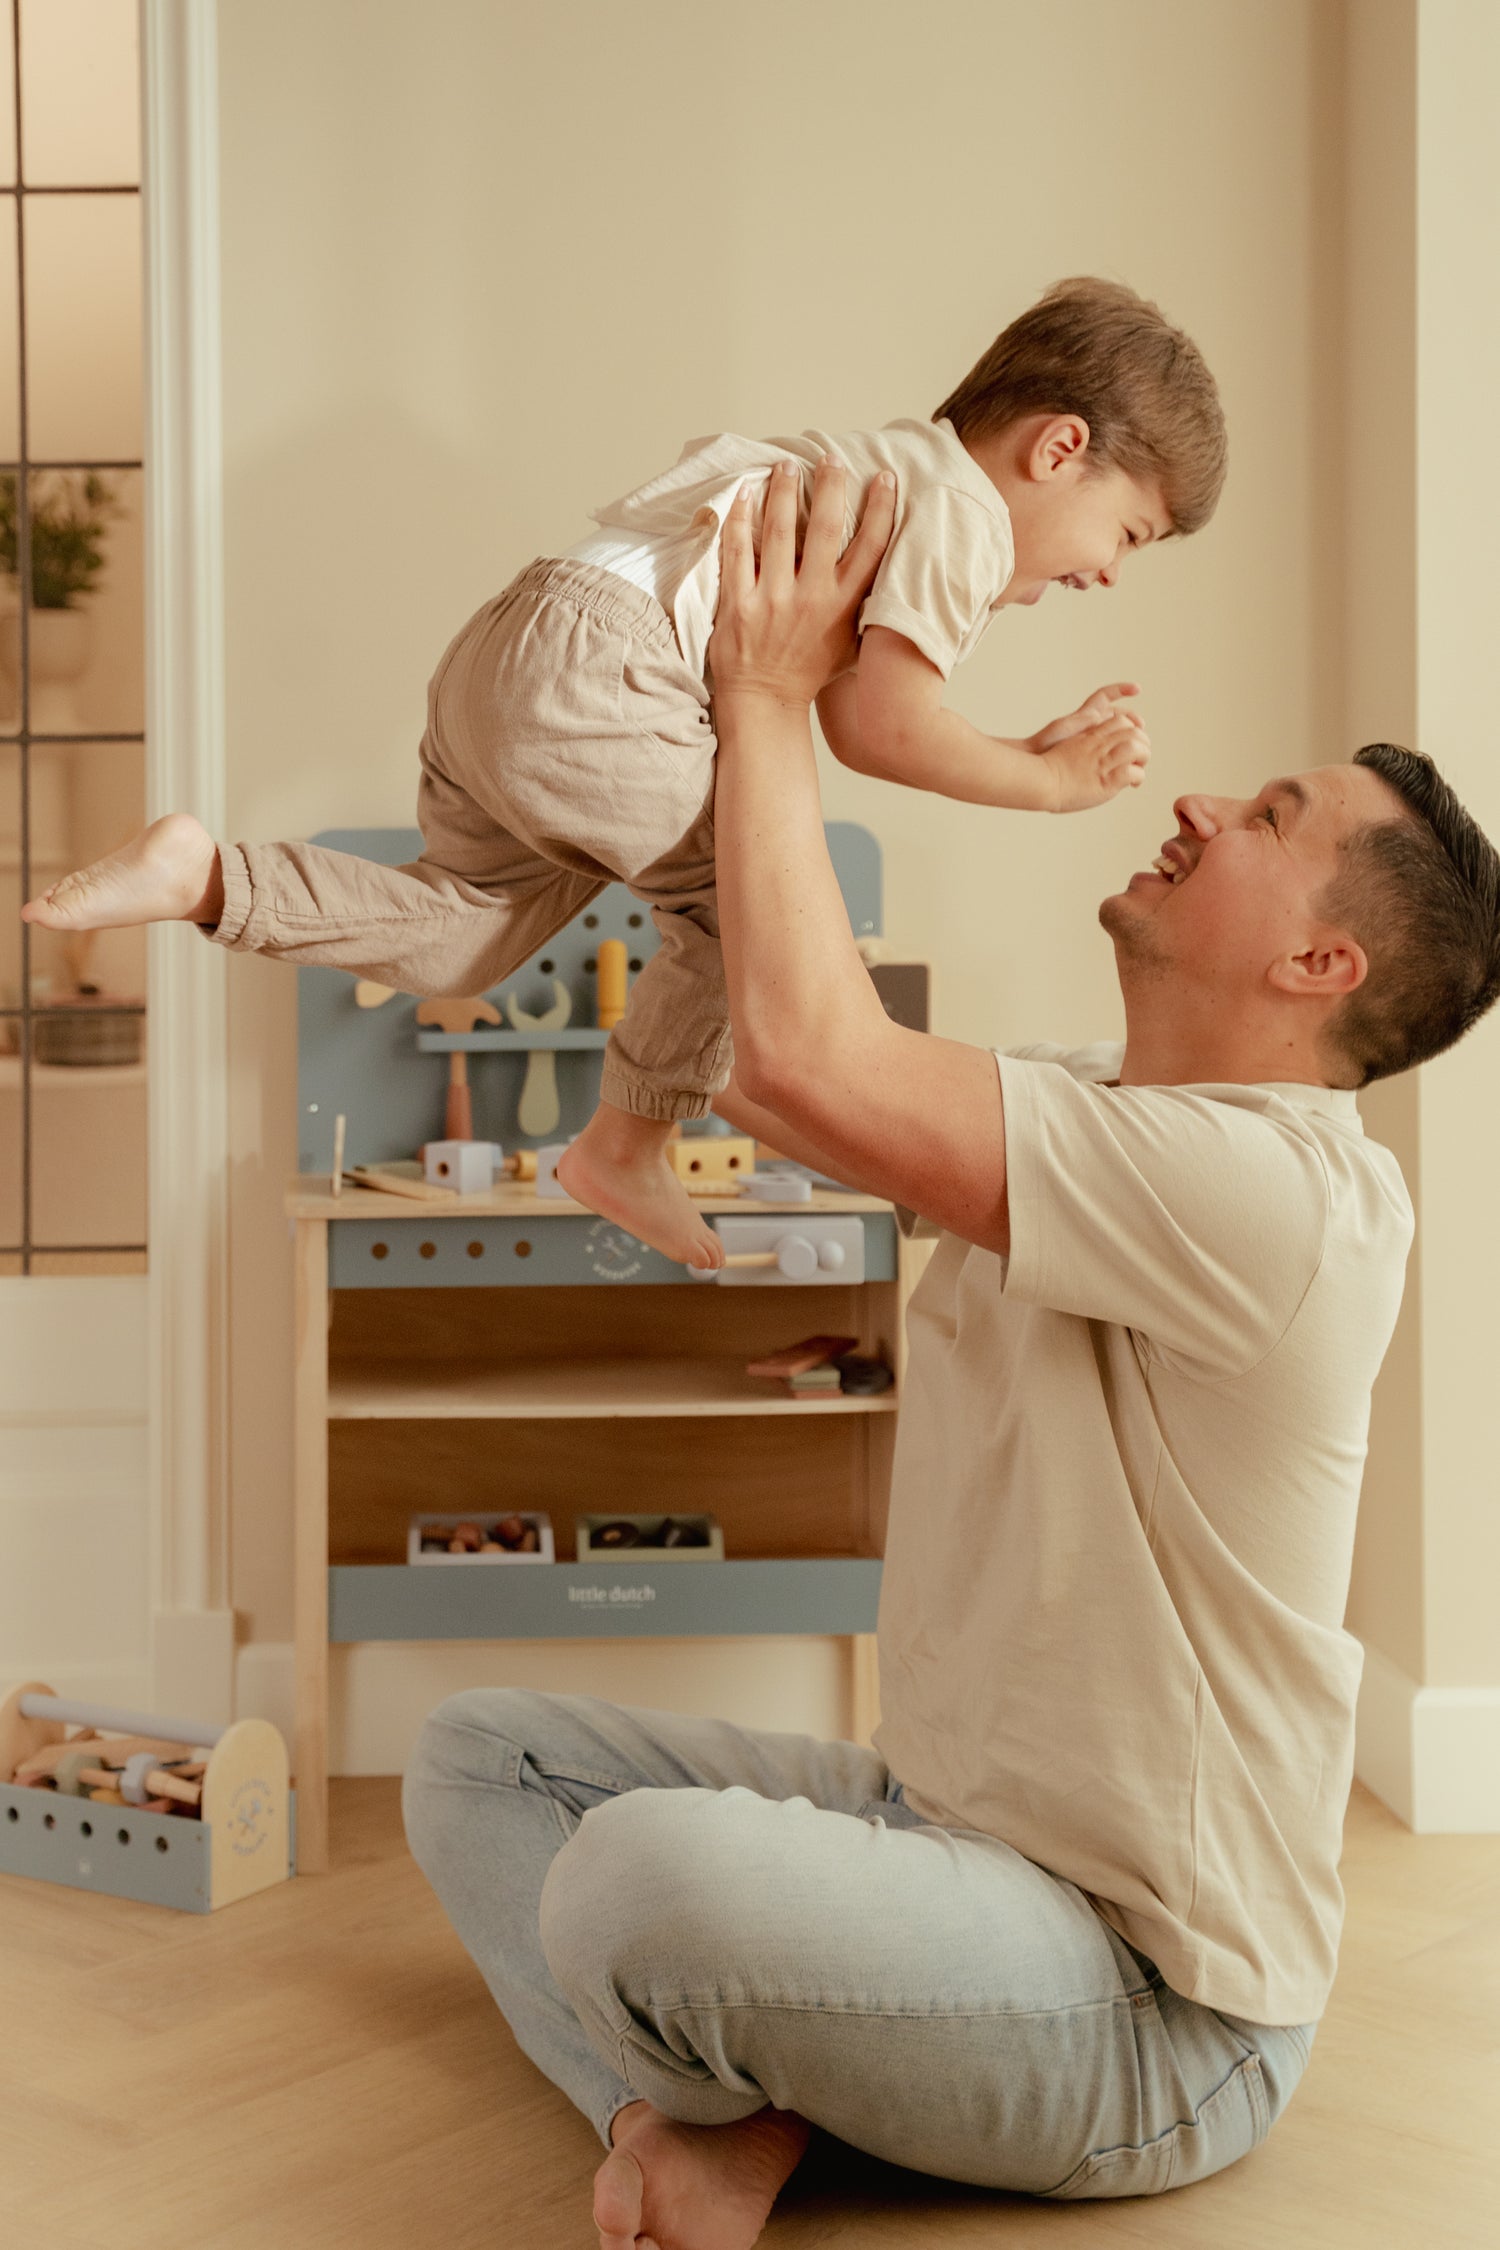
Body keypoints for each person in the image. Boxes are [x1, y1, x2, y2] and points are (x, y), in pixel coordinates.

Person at [399, 457, 1500, 2250]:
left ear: (1323, 960)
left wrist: (771, 691)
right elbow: (780, 1074)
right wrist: (671, 743)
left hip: (1149, 1999)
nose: (1202, 802)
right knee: (479, 1758)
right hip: (942, 1830)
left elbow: (814, 1058)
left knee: (631, 1880)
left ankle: (727, 2081)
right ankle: (691, 2120)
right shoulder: (1093, 1104)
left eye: (1270, 815)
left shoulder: (1288, 1195)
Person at [22, 278, 1221, 1270]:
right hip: (607, 677)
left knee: (466, 938)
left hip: (511, 653)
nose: (1112, 573)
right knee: (756, 913)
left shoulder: (888, 470)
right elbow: (882, 730)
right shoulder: (960, 516)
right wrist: (1048, 781)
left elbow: (851, 706)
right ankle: (626, 1146)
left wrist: (1024, 745)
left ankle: (208, 877)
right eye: (1129, 534)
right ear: (1059, 448)